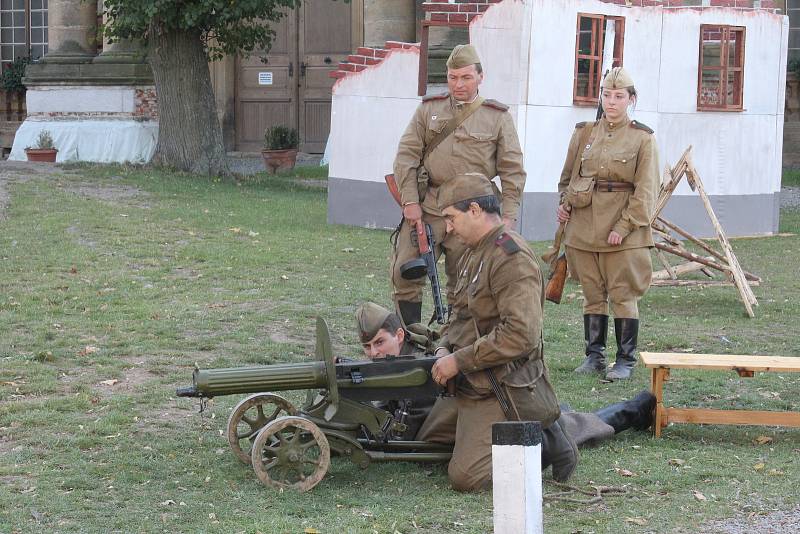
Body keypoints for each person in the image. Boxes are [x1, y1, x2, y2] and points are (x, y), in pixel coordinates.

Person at [356, 300, 656, 485]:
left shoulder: (424, 358)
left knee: (576, 427)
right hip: (462, 428)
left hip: (486, 417)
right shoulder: (388, 366)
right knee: (560, 419)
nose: (374, 354)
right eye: (367, 347)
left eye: (379, 343)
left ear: (398, 335)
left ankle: (634, 410)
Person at [391, 43, 526, 326]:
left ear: (480, 76)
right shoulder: (429, 110)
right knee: (405, 271)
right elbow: (406, 155)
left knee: (464, 283)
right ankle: (411, 342)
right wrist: (410, 201)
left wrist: (509, 216)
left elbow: (512, 171)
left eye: (465, 77)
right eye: (453, 77)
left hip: (471, 212)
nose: (458, 84)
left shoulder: (497, 117)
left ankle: (455, 345)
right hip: (428, 207)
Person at [556, 67, 659, 381]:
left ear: (631, 99)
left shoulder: (643, 138)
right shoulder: (584, 133)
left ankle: (625, 360)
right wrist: (564, 204)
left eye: (619, 96)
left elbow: (646, 191)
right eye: (606, 94)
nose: (611, 102)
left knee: (623, 294)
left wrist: (624, 227)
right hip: (583, 228)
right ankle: (594, 356)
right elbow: (566, 179)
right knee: (592, 293)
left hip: (622, 230)